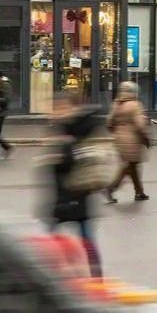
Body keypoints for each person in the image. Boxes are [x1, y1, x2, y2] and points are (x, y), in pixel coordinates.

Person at [47, 95, 105, 278]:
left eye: (60, 108)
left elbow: (75, 163)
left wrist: (61, 153)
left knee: (83, 241)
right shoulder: (64, 129)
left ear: (73, 109)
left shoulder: (79, 132)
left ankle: (96, 278)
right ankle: (92, 276)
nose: (55, 113)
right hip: (63, 198)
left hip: (76, 197)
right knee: (73, 240)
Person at [105, 81, 150, 202]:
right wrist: (146, 137)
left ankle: (139, 192)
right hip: (133, 140)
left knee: (132, 166)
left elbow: (109, 122)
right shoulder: (135, 105)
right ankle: (111, 188)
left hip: (118, 138)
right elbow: (140, 125)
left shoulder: (116, 104)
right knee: (129, 166)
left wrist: (117, 132)